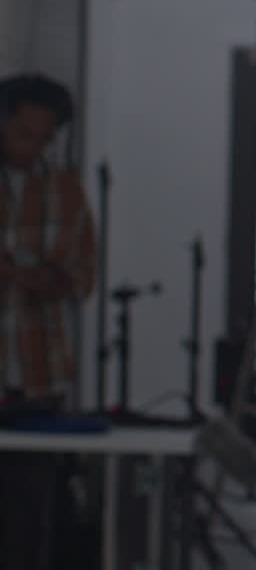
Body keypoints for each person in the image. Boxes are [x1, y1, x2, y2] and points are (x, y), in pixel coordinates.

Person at [0, 73, 97, 570]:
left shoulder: (64, 189)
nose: (31, 147)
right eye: (21, 134)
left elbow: (82, 277)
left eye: (43, 137)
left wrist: (27, 275)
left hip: (37, 380)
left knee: (28, 514)